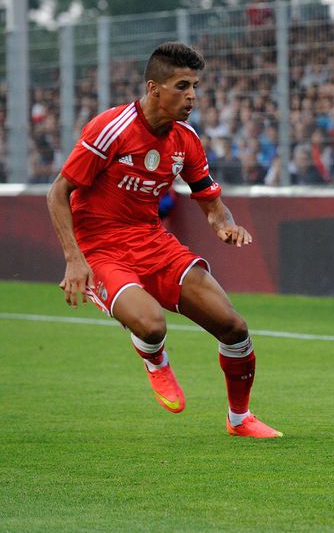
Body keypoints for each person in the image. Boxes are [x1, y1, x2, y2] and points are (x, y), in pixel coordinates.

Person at [46, 42, 281, 438]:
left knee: (234, 327)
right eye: (182, 86)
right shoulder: (110, 128)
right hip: (101, 249)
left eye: (195, 87)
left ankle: (239, 419)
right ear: (154, 88)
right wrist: (74, 259)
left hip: (153, 241)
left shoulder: (186, 139)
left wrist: (225, 225)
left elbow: (211, 202)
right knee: (152, 326)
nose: (192, 96)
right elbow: (57, 193)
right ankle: (155, 360)